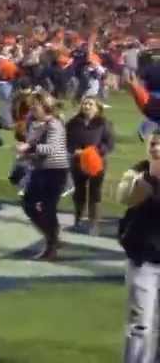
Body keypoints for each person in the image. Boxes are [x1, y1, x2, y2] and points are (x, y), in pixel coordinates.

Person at [117, 131, 160, 363]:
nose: (156, 149)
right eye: (153, 144)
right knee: (140, 325)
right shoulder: (138, 172)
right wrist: (145, 184)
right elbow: (123, 197)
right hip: (143, 259)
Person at [15, 90, 70, 260]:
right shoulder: (34, 124)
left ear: (46, 107)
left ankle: (51, 245)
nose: (32, 109)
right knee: (28, 204)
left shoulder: (55, 124)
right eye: (32, 106)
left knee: (48, 208)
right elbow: (34, 146)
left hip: (55, 171)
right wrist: (25, 153)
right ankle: (52, 235)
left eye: (36, 106)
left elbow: (51, 149)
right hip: (39, 170)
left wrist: (28, 148)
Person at [65, 96, 115, 234]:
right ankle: (78, 220)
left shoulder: (104, 123)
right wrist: (74, 150)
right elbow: (67, 140)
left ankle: (94, 224)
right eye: (85, 103)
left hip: (96, 162)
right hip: (77, 161)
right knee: (79, 191)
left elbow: (109, 143)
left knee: (95, 192)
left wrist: (93, 152)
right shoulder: (73, 123)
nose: (86, 106)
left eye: (90, 104)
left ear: (97, 108)